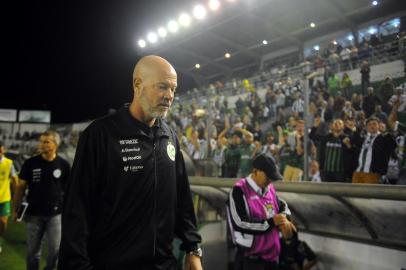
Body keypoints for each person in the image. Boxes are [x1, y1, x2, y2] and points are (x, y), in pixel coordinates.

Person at [58, 55, 202, 270]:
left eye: (173, 89)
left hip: (164, 264)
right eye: (162, 87)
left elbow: (181, 196)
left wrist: (193, 248)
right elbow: (77, 209)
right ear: (137, 84)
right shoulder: (101, 134)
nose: (169, 96)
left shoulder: (169, 136)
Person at [12, 131, 70, 270]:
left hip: (55, 215)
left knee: (55, 251)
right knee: (32, 252)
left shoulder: (63, 165)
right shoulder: (30, 163)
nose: (41, 144)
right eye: (40, 141)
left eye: (46, 142)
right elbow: (20, 187)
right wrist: (15, 209)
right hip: (34, 214)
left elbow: (69, 190)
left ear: (55, 145)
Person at [227, 154, 296, 270]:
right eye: (267, 176)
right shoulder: (239, 191)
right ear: (255, 172)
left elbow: (281, 205)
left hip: (272, 260)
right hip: (251, 262)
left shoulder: (269, 189)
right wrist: (270, 223)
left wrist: (285, 218)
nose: (270, 181)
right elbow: (240, 223)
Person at [0, 141, 18, 254]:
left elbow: (14, 179)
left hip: (4, 198)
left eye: (1, 149)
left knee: (2, 223)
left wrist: (17, 194)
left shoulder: (9, 163)